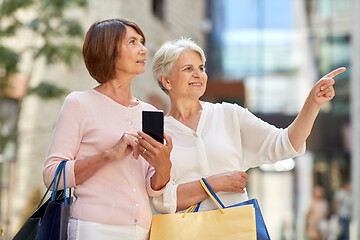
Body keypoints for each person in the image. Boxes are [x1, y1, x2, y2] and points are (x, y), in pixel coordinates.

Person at [150, 38, 346, 214]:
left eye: (201, 68)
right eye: (188, 69)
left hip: (234, 231)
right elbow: (163, 201)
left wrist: (313, 103)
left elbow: (286, 143)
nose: (198, 74)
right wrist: (214, 183)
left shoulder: (230, 114)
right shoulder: (158, 132)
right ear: (166, 81)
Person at [42, 18, 173, 240]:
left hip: (140, 231)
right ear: (108, 50)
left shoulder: (150, 112)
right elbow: (52, 175)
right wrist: (108, 155)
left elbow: (154, 188)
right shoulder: (79, 103)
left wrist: (164, 164)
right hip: (92, 228)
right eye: (132, 42)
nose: (143, 49)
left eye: (142, 42)